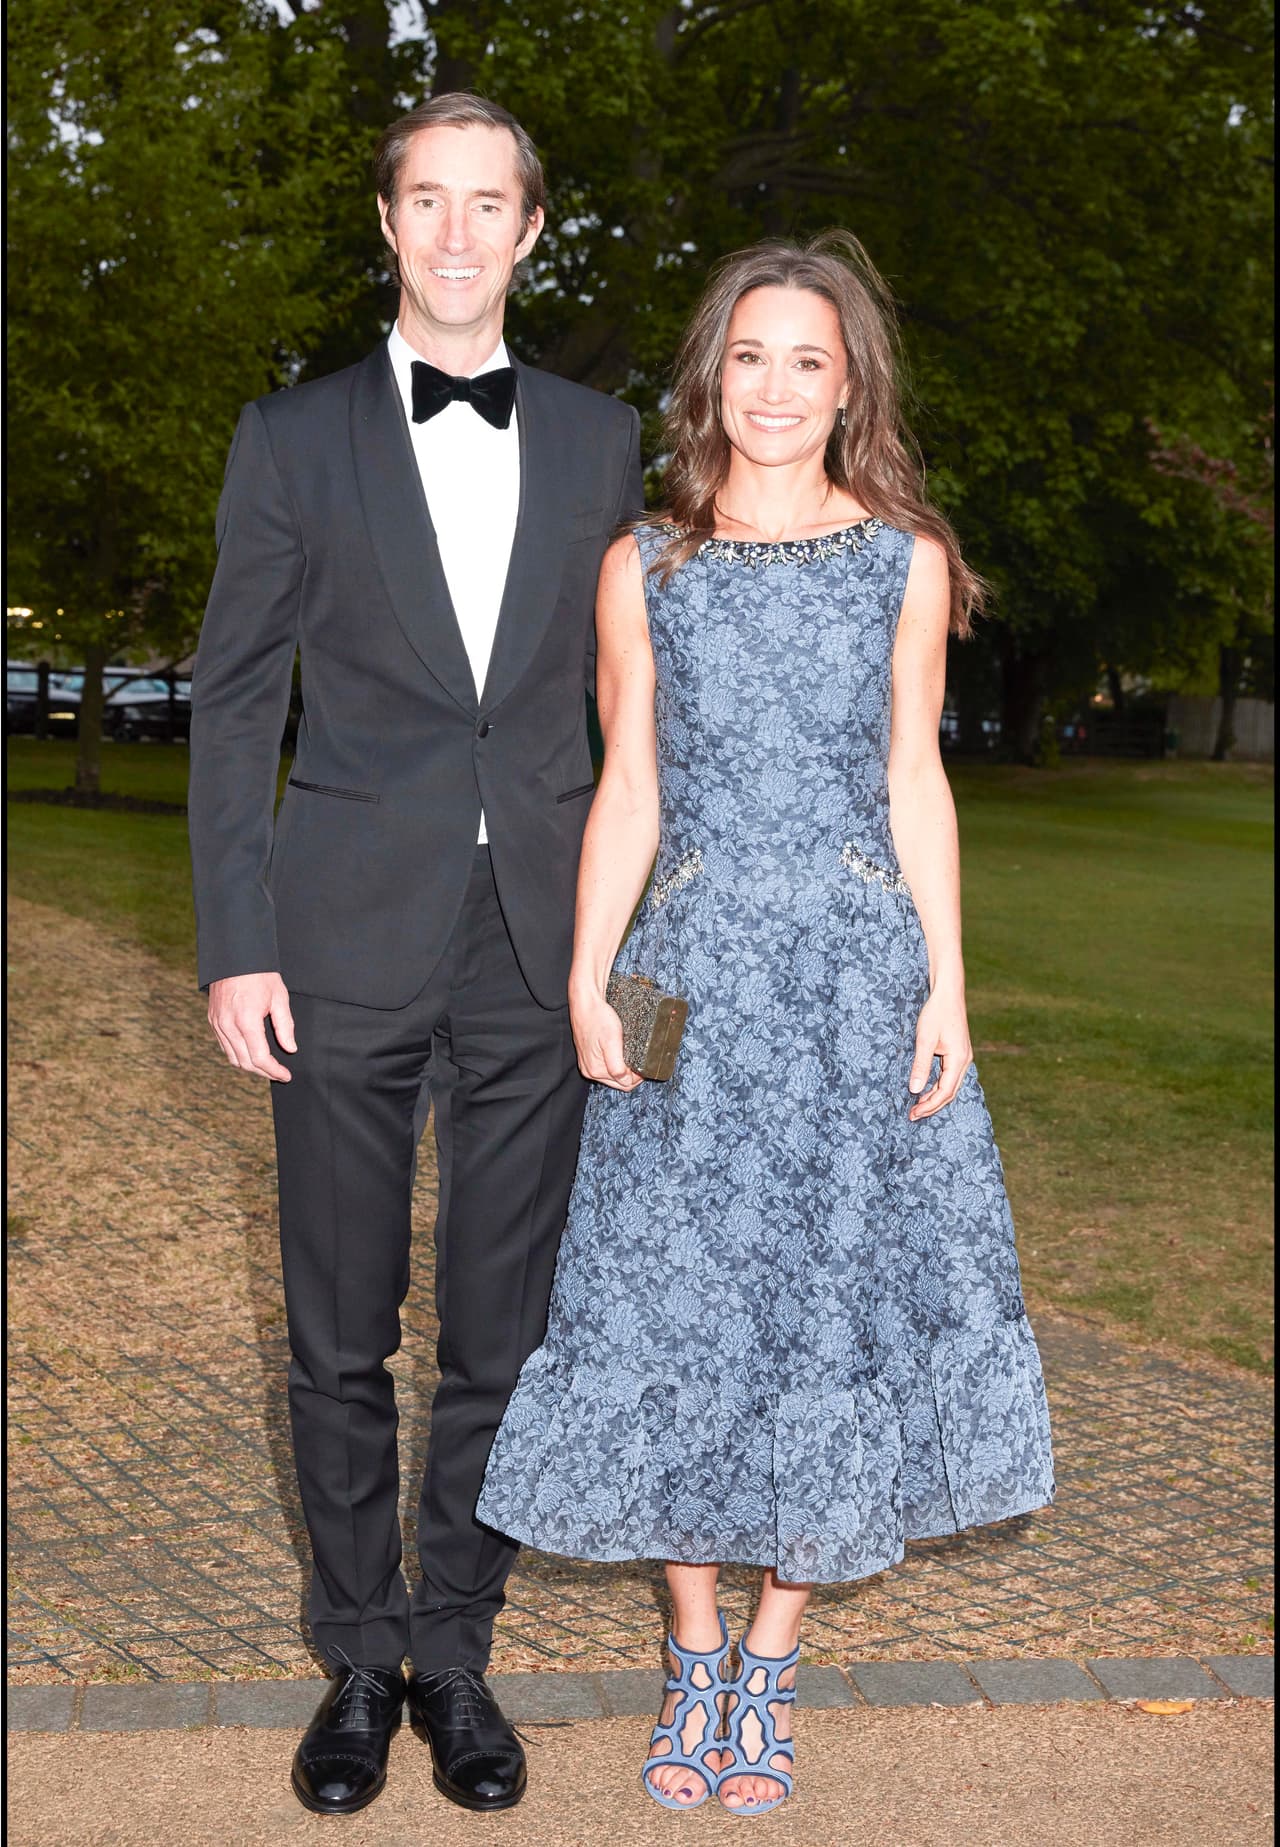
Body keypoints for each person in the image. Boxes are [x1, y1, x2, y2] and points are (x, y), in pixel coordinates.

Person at [478, 233, 1055, 1816]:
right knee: (666, 1300)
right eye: (751, 357)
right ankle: (694, 1650)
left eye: (811, 360)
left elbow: (915, 780)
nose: (779, 388)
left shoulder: (903, 559)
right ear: (711, 377)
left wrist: (948, 984)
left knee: (830, 1306)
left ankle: (774, 1656)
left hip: (857, 983)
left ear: (850, 383)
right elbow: (630, 789)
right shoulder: (645, 564)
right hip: (684, 982)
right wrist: (590, 978)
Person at [188, 92, 642, 1817]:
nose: (457, 233)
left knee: (501, 1336)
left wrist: (640, 945)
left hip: (542, 948)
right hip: (334, 941)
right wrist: (236, 942)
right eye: (428, 201)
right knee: (336, 1330)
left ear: (532, 230)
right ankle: (356, 1658)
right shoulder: (290, 437)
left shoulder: (605, 442)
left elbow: (643, 711)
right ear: (387, 224)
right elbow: (236, 707)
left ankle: (455, 1650)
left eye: (488, 203)